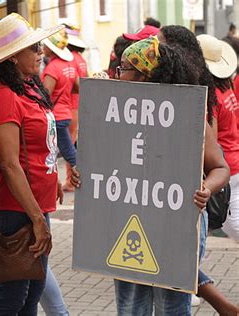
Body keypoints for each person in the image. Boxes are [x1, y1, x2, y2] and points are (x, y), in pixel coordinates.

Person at [115, 37, 230, 315]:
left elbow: (220, 168)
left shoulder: (186, 116)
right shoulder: (115, 113)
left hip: (177, 222)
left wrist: (205, 188)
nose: (118, 75)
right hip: (129, 220)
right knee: (132, 304)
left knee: (172, 304)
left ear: (144, 74)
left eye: (123, 68)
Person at [0, 17, 72, 316]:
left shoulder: (28, 86)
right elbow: (9, 163)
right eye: (34, 48)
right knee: (14, 296)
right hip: (14, 207)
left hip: (34, 204)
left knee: (32, 292)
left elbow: (43, 139)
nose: (41, 52)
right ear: (13, 57)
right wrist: (36, 219)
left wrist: (53, 176)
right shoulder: (4, 93)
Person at [198, 34, 239, 242]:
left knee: (232, 225)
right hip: (234, 159)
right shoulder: (226, 87)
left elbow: (210, 138)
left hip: (224, 167)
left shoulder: (211, 95)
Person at [42, 29, 78, 178]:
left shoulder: (52, 67)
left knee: (67, 152)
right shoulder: (68, 65)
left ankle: (81, 175)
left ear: (51, 48)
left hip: (56, 116)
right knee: (63, 150)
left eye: (45, 45)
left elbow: (46, 94)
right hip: (66, 113)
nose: (43, 48)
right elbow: (77, 87)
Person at [62, 23, 89, 192]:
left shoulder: (70, 59)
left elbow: (75, 84)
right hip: (77, 105)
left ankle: (70, 181)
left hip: (70, 104)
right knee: (73, 143)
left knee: (69, 146)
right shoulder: (82, 60)